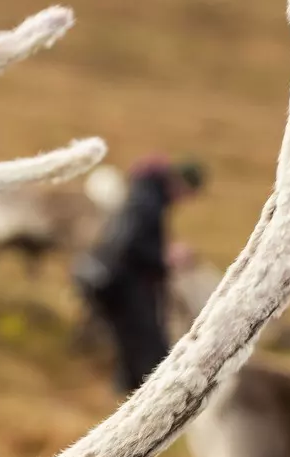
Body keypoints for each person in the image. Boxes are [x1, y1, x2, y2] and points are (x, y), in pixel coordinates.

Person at [74, 157, 206, 395]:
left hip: (113, 282)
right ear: (182, 184)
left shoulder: (145, 195)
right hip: (123, 286)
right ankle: (146, 402)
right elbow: (129, 246)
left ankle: (125, 398)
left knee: (131, 347)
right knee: (148, 350)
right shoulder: (148, 202)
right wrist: (166, 258)